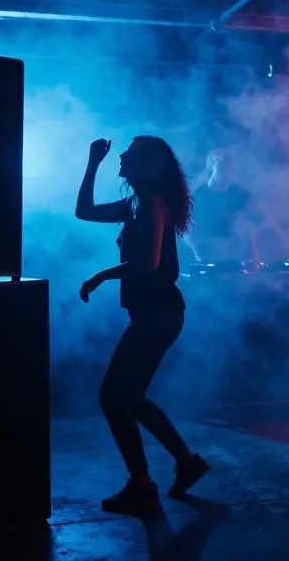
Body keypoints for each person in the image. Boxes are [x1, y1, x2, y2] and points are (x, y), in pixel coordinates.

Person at [76, 136, 212, 513]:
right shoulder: (137, 203)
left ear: (144, 164)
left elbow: (149, 265)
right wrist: (92, 163)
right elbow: (83, 211)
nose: (120, 155)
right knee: (129, 396)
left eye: (129, 152)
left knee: (113, 395)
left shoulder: (150, 203)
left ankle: (142, 481)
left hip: (159, 314)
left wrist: (102, 275)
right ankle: (186, 461)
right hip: (153, 314)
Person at [183, 148, 289, 265]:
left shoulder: (241, 195)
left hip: (237, 257)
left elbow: (266, 221)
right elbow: (184, 227)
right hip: (208, 256)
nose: (226, 172)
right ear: (211, 167)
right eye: (221, 166)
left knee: (247, 227)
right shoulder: (198, 195)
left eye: (229, 168)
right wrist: (197, 250)